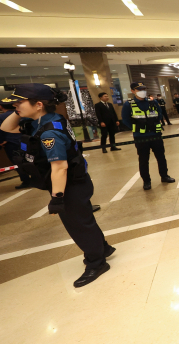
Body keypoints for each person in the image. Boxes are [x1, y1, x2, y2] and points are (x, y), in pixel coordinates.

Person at [0, 84, 116, 287]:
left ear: (38, 105)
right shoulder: (42, 121)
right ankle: (102, 248)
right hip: (75, 181)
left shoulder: (49, 132)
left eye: (20, 102)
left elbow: (60, 167)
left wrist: (57, 197)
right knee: (85, 219)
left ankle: (96, 262)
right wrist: (17, 111)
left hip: (70, 185)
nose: (16, 106)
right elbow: (6, 128)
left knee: (78, 225)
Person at [122, 83, 175, 190]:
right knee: (143, 160)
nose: (142, 91)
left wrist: (153, 124)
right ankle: (146, 181)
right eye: (139, 89)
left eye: (144, 89)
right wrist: (137, 128)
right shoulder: (129, 104)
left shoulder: (153, 102)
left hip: (155, 134)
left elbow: (159, 114)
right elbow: (126, 120)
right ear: (133, 91)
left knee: (161, 157)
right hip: (141, 137)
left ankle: (164, 176)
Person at [0, 102, 30, 188]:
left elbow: (1, 131)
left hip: (11, 143)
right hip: (26, 140)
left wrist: (1, 141)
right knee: (30, 159)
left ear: (1, 106)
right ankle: (37, 178)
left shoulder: (1, 117)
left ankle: (26, 180)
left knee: (17, 161)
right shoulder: (23, 114)